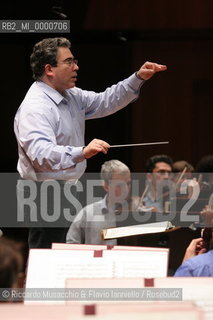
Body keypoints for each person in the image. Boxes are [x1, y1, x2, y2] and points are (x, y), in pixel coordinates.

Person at [14, 37, 167, 248]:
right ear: (49, 69)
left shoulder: (71, 95)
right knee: (48, 261)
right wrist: (82, 152)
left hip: (68, 189)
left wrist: (138, 78)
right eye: (69, 61)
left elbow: (105, 101)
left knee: (70, 255)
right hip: (44, 196)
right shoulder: (36, 107)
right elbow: (41, 155)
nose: (76, 66)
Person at [66, 159, 138, 245]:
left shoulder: (138, 210)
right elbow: (71, 245)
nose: (126, 189)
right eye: (119, 185)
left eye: (128, 183)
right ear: (106, 186)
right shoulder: (88, 213)